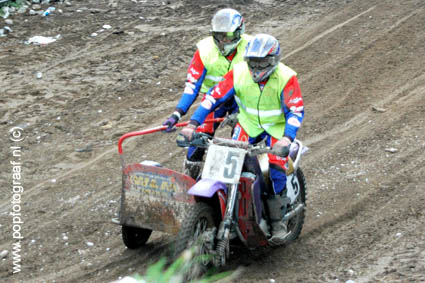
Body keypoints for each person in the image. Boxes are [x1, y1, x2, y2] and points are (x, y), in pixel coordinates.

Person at [179, 34, 305, 244]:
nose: (256, 67)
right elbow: (212, 98)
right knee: (231, 160)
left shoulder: (286, 77)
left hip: (276, 128)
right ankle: (225, 209)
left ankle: (278, 221)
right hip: (247, 124)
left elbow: (296, 110)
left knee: (275, 166)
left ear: (273, 60)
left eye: (261, 62)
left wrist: (287, 138)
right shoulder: (238, 72)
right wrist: (193, 124)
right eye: (252, 62)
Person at [162, 8, 252, 179]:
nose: (224, 40)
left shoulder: (252, 47)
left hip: (242, 101)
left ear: (240, 31)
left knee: (240, 147)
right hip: (212, 101)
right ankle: (189, 186)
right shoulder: (204, 50)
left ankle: (244, 191)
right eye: (219, 35)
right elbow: (191, 87)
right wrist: (177, 113)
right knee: (195, 144)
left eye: (229, 35)